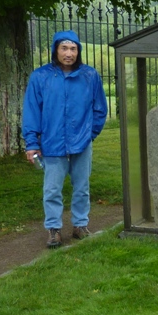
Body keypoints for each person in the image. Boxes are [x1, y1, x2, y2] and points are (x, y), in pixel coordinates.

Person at [22, 30, 108, 248]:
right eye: (64, 48)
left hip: (81, 143)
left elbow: (99, 109)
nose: (68, 53)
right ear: (55, 50)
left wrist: (90, 134)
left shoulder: (89, 76)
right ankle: (54, 229)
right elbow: (32, 111)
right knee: (52, 190)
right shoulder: (40, 77)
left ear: (78, 51)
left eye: (73, 48)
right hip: (52, 143)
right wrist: (32, 143)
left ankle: (80, 226)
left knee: (82, 187)